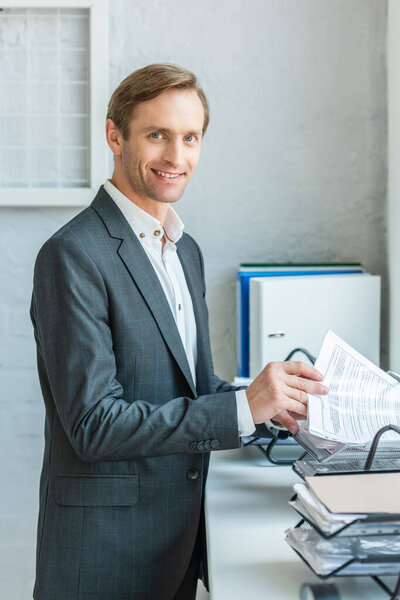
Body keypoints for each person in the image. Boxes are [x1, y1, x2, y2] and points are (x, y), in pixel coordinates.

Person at [30, 63, 327, 600]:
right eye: (157, 135)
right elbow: (95, 425)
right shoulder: (72, 255)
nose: (176, 156)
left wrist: (273, 405)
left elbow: (191, 389)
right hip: (104, 553)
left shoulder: (183, 249)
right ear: (114, 136)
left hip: (179, 540)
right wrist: (242, 408)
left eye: (190, 138)